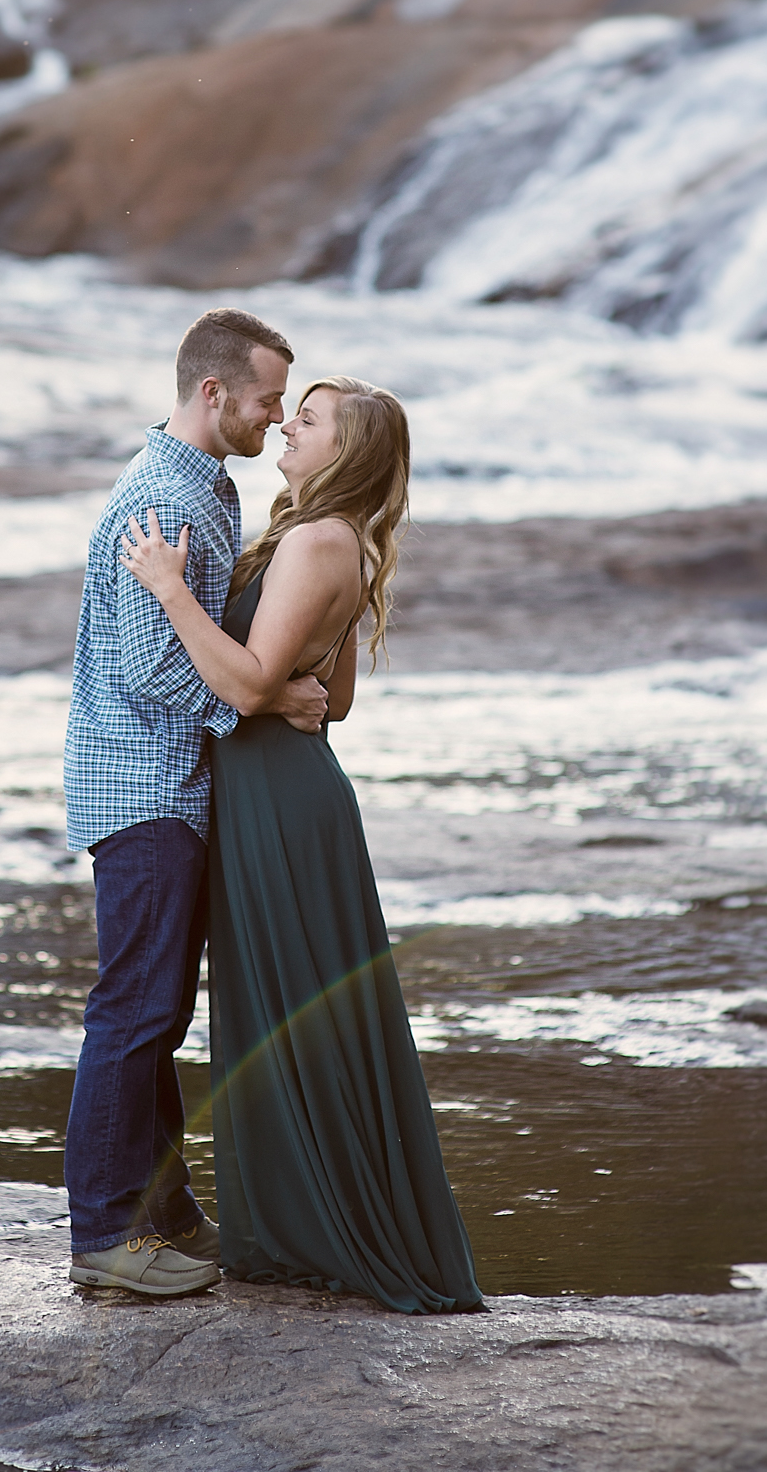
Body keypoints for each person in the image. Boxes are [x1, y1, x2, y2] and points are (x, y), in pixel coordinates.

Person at [119, 375, 483, 1314]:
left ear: (345, 453)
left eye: (307, 419)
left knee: (292, 1012)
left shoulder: (320, 539)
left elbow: (242, 685)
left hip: (281, 805)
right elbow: (334, 699)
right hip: (278, 794)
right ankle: (302, 1221)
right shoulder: (323, 537)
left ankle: (321, 1227)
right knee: (283, 1011)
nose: (285, 422)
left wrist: (170, 589)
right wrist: (282, 689)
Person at [63, 307, 331, 1298]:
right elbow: (147, 667)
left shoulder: (200, 485)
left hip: (160, 781)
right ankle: (102, 1232)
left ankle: (165, 1211)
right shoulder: (164, 501)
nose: (274, 415)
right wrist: (257, 704)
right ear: (214, 392)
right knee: (133, 1011)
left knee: (155, 1011)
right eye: (266, 398)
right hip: (142, 784)